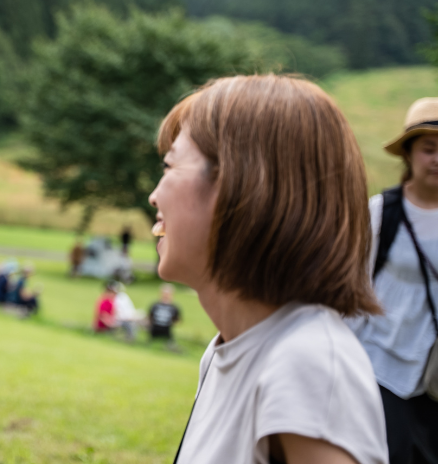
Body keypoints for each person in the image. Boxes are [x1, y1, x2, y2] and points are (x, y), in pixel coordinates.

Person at [149, 75, 387, 463]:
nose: (154, 195)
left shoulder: (307, 361)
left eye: (170, 165)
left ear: (238, 186)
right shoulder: (227, 348)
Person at [346, 97, 438, 462]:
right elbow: (352, 284)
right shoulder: (381, 212)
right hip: (377, 362)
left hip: (429, 374)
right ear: (409, 154)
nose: (436, 160)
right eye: (429, 149)